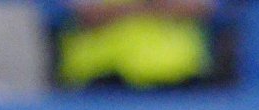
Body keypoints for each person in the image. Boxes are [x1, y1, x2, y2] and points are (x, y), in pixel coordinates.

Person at [57, 0, 214, 90]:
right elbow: (89, 15)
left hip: (180, 77)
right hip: (103, 80)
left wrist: (125, 10)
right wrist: (152, 8)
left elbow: (196, 8)